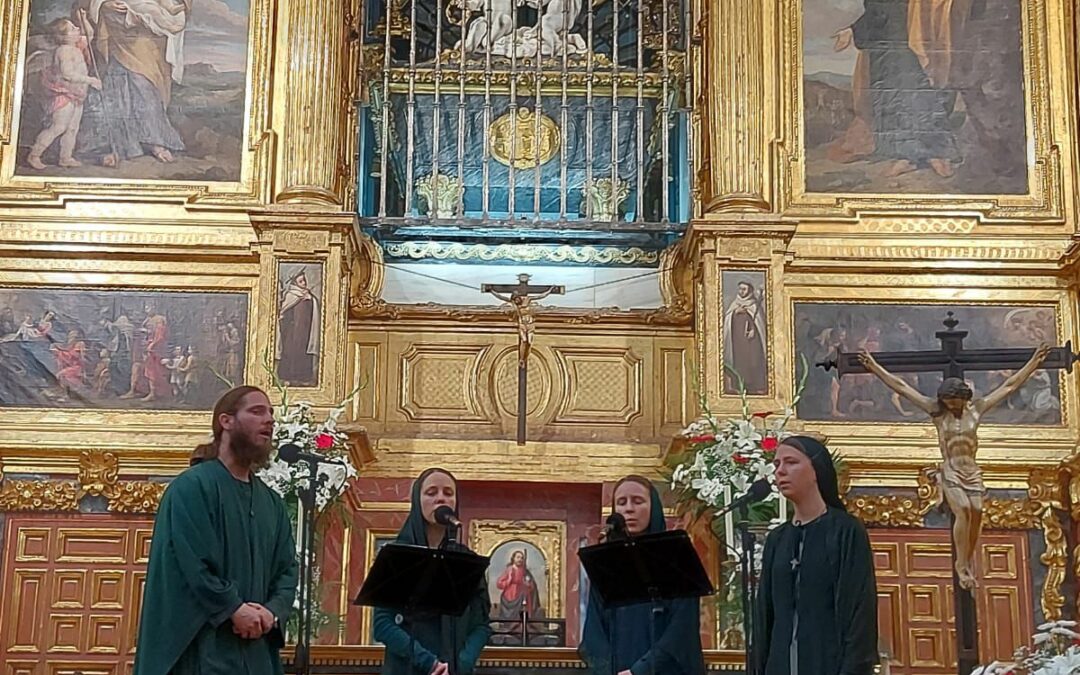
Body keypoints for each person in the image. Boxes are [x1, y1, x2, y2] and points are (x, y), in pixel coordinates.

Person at [133, 385, 298, 674]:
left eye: (271, 413)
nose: (269, 420)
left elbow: (287, 571)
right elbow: (191, 563)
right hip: (203, 650)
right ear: (226, 421)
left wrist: (272, 611)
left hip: (257, 653)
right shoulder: (191, 488)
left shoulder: (271, 502)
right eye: (257, 411)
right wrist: (234, 609)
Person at [857, 345, 1050, 589]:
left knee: (978, 512)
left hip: (972, 471)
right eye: (948, 402)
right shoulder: (937, 412)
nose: (952, 406)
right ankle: (961, 565)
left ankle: (968, 558)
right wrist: (874, 367)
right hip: (950, 470)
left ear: (964, 398)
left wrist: (1033, 363)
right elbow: (902, 388)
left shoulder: (976, 410)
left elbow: (1009, 386)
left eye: (955, 402)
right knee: (964, 509)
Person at [753, 436, 878, 675]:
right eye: (777, 464)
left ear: (816, 470)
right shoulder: (777, 539)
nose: (780, 471)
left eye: (791, 462)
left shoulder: (846, 531)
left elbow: (860, 612)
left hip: (828, 663)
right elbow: (765, 617)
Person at [579, 475, 706, 675]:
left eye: (638, 501)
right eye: (621, 502)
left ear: (653, 508)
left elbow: (682, 629)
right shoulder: (606, 563)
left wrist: (641, 670)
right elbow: (594, 630)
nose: (629, 509)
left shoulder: (676, 557)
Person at [373, 468, 492, 674]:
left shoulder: (467, 561)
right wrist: (429, 663)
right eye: (431, 492)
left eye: (448, 493)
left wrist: (460, 664)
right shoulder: (397, 555)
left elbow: (481, 626)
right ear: (417, 501)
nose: (440, 499)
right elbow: (383, 625)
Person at [25, 18, 102, 169]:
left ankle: (65, 157)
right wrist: (90, 80)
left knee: (73, 128)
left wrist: (84, 18)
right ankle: (34, 155)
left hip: (77, 94)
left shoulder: (77, 46)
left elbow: (90, 34)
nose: (77, 29)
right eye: (73, 29)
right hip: (64, 94)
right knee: (59, 127)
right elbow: (67, 74)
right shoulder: (64, 51)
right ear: (63, 37)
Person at [495, 548, 544, 620]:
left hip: (523, 597)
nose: (520, 559)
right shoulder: (509, 570)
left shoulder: (525, 571)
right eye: (518, 557)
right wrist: (509, 580)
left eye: (522, 558)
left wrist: (528, 584)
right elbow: (499, 584)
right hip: (510, 596)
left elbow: (532, 585)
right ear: (513, 558)